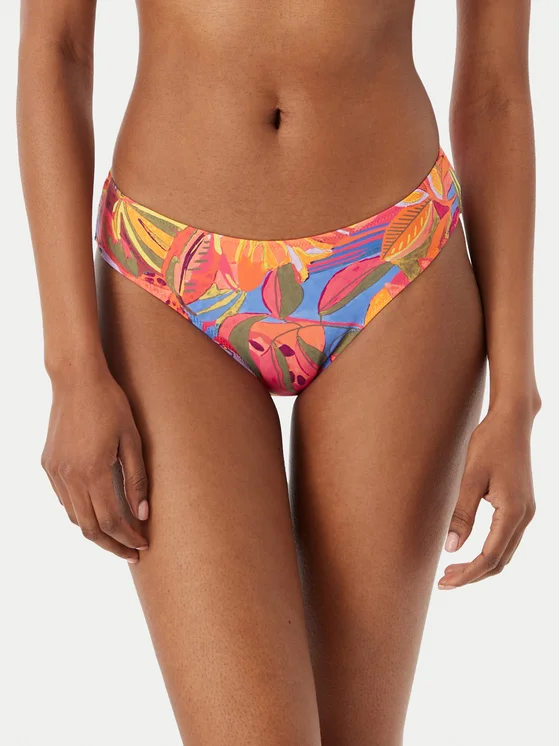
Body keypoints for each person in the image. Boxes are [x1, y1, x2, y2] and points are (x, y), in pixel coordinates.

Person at [16, 1, 541, 743]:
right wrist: (71, 368)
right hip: (169, 280)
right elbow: (57, 50)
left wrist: (516, 396)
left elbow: (495, 90)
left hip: (393, 265)